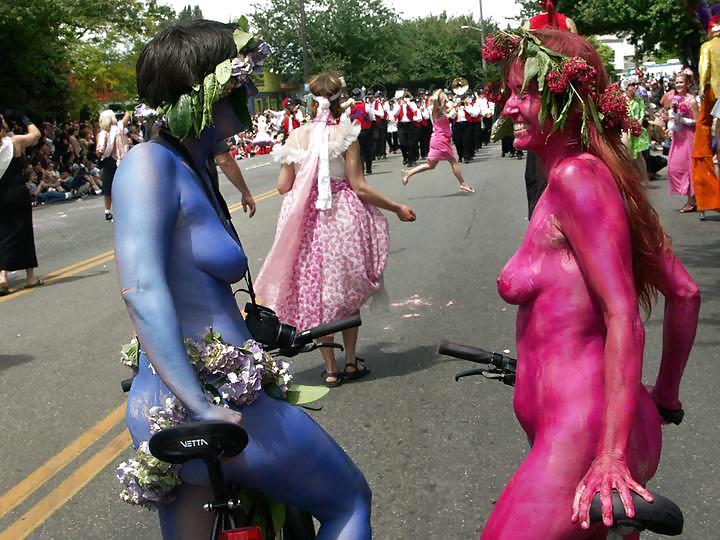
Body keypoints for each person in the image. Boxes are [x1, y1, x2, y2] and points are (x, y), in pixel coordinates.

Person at [114, 21, 372, 539]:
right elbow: (141, 289)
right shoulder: (149, 164)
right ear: (210, 94)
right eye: (244, 87)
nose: (253, 99)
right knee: (349, 503)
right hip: (208, 408)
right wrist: (202, 404)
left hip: (194, 403)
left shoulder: (193, 165)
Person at [482, 28, 700, 538]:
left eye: (525, 93)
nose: (510, 106)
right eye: (510, 92)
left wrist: (610, 456)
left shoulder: (577, 179)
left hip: (586, 439)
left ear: (566, 101)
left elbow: (623, 313)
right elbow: (684, 292)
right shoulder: (586, 176)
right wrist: (664, 398)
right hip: (586, 428)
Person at [255, 72, 416, 388]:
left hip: (305, 224)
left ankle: (330, 367)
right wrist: (396, 207)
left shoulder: (295, 137)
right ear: (340, 100)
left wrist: (304, 177)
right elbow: (360, 187)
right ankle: (352, 360)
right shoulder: (346, 137)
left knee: (319, 295)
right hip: (341, 217)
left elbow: (283, 186)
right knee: (346, 290)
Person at [0, 111, 43, 295]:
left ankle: (2, 276)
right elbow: (36, 135)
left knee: (2, 234)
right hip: (17, 192)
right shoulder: (14, 142)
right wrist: (25, 119)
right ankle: (30, 277)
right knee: (24, 232)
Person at [401, 89, 475, 193]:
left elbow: (450, 114)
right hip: (440, 139)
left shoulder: (442, 110)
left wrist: (456, 104)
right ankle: (463, 184)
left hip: (440, 139)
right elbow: (435, 100)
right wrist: (439, 91)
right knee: (453, 161)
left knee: (431, 165)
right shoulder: (436, 110)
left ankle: (408, 172)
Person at [666, 72, 697, 212]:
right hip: (678, 137)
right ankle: (692, 198)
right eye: (677, 82)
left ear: (687, 84)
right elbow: (671, 118)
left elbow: (698, 122)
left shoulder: (692, 100)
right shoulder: (674, 100)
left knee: (689, 168)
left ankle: (692, 201)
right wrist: (671, 123)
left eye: (681, 82)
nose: (678, 85)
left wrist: (684, 120)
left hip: (689, 136)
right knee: (673, 167)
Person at [96, 109, 129, 222]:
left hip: (108, 161)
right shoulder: (118, 129)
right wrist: (126, 112)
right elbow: (125, 120)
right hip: (119, 160)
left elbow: (99, 150)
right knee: (118, 187)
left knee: (108, 187)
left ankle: (107, 211)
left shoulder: (102, 134)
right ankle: (119, 211)